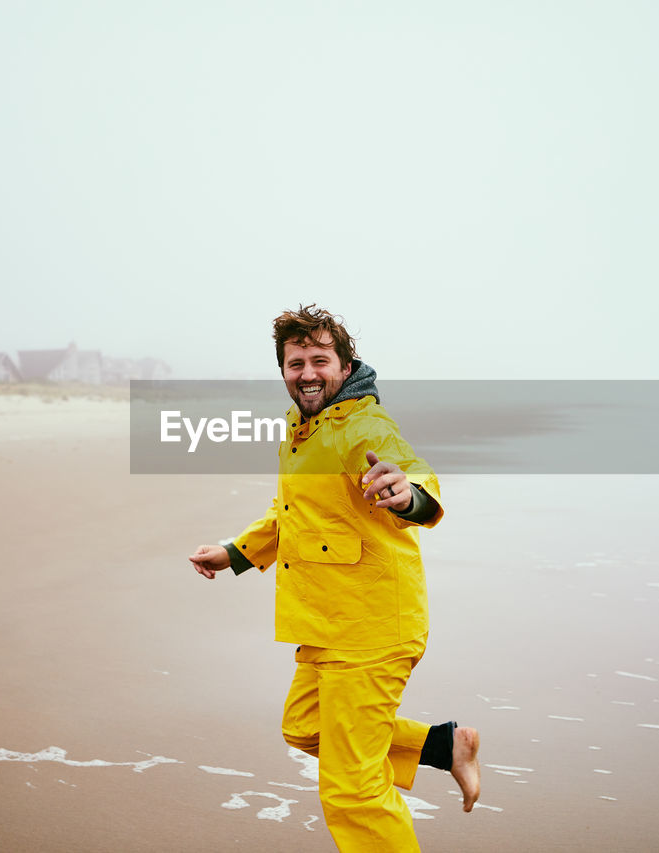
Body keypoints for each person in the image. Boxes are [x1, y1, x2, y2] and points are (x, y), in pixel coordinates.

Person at [189, 304, 480, 851]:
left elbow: (408, 471)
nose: (307, 372)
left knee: (352, 790)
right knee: (304, 728)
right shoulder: (301, 431)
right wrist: (235, 552)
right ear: (283, 371)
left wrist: (409, 493)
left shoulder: (362, 425)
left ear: (345, 367)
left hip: (372, 629)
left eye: (320, 360)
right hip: (326, 624)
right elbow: (293, 516)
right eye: (295, 362)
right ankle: (443, 748)